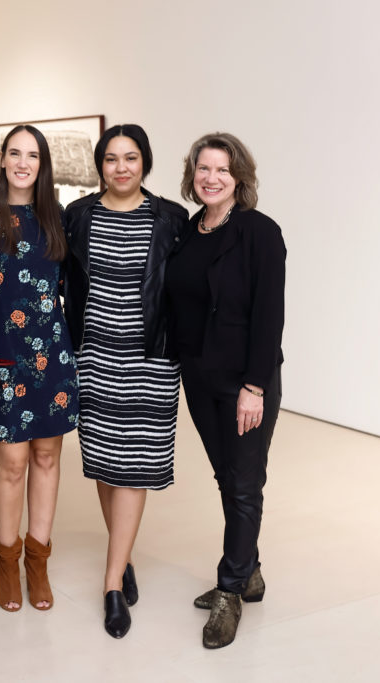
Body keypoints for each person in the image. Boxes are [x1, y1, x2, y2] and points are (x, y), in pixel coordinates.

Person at [62, 124, 188, 638]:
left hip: (150, 359)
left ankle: (112, 585)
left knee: (134, 465)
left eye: (130, 158)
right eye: (111, 159)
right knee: (106, 465)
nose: (120, 168)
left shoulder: (172, 219)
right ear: (100, 165)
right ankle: (125, 555)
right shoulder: (78, 216)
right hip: (94, 356)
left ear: (145, 163)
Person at [164, 132, 285, 649]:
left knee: (242, 482)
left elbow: (269, 315)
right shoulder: (189, 231)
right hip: (199, 375)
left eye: (221, 170)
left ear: (240, 178)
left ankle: (231, 590)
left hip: (244, 381)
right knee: (227, 476)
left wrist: (254, 386)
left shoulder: (260, 232)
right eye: (202, 169)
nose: (210, 178)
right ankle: (249, 570)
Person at [0, 125, 78, 612]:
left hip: (52, 358)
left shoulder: (59, 218)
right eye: (15, 153)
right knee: (10, 465)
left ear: (42, 163)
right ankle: (7, 561)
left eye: (33, 155)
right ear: (2, 159)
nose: (24, 163)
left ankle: (38, 560)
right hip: (3, 356)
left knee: (47, 460)